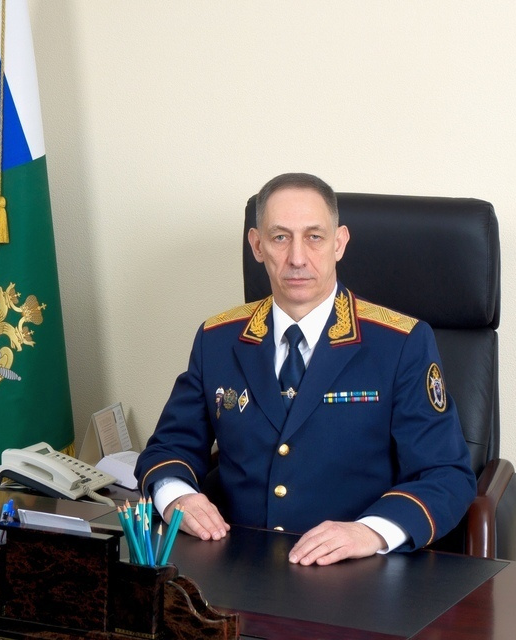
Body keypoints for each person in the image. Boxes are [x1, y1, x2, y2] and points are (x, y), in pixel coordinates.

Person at [135, 172, 475, 566]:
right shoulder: (218, 338)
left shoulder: (401, 343)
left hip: (356, 570)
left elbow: (446, 474)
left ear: (339, 243)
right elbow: (168, 447)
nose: (297, 258)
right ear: (257, 246)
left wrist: (371, 531)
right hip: (237, 564)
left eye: (314, 236)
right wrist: (177, 496)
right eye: (280, 237)